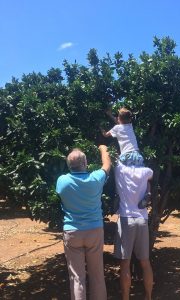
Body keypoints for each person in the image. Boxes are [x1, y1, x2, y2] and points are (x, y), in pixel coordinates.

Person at [56, 145, 111, 300]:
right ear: (85, 163)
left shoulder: (62, 180)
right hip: (94, 230)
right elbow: (107, 165)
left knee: (77, 277)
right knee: (97, 275)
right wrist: (103, 149)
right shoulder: (95, 178)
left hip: (72, 232)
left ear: (69, 165)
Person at [113, 161, 153, 300]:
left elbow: (112, 158)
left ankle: (126, 298)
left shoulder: (120, 170)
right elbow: (149, 181)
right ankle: (148, 297)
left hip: (126, 220)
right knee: (145, 262)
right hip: (142, 220)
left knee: (125, 263)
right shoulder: (145, 172)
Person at [102, 107, 151, 209]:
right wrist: (111, 115)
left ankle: (118, 196)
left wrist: (100, 128)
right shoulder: (130, 126)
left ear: (119, 119)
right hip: (136, 154)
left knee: (121, 177)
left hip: (126, 156)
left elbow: (106, 135)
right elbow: (119, 121)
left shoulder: (116, 128)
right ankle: (148, 192)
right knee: (143, 177)